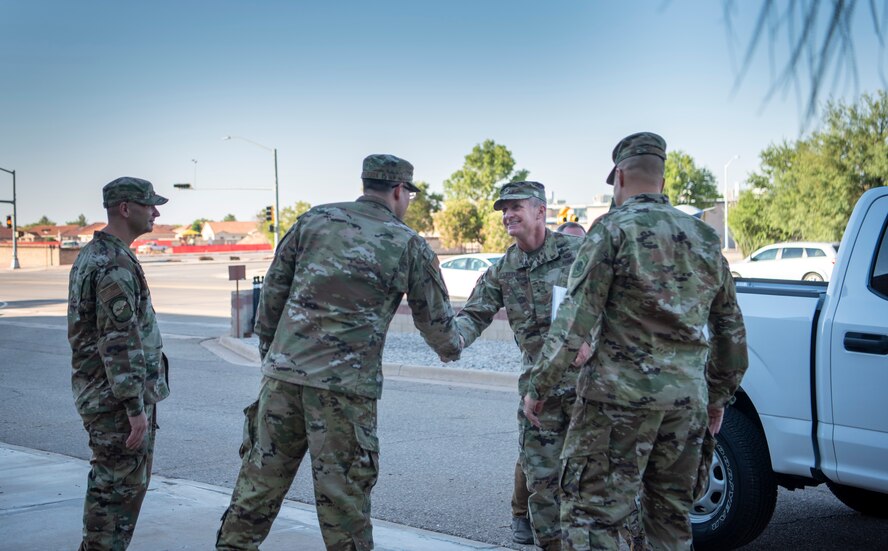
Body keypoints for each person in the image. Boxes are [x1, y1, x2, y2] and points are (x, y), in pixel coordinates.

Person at [216, 154, 463, 551]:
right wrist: (457, 343)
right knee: (344, 505)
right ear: (399, 191)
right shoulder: (408, 244)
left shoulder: (313, 220)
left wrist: (275, 359)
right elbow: (439, 329)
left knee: (256, 491)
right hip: (344, 395)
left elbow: (271, 299)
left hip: (282, 381)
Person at [523, 132, 748, 550]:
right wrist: (717, 396)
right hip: (685, 405)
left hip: (616, 405)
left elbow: (574, 322)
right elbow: (731, 330)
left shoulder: (610, 231)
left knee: (595, 522)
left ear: (620, 177)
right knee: (670, 520)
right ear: (662, 182)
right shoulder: (703, 238)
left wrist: (539, 386)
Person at [454, 181, 588, 550]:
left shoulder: (579, 252)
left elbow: (620, 299)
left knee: (593, 487)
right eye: (503, 210)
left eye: (515, 207)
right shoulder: (504, 269)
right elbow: (475, 313)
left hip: (588, 392)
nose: (507, 215)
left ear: (541, 212)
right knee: (542, 485)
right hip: (539, 395)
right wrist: (453, 340)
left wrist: (592, 335)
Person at [67, 176, 171, 550]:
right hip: (116, 404)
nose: (156, 212)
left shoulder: (98, 254)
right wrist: (134, 406)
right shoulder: (113, 263)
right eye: (149, 205)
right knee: (114, 499)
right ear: (126, 209)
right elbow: (118, 341)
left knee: (114, 493)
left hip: (106, 397)